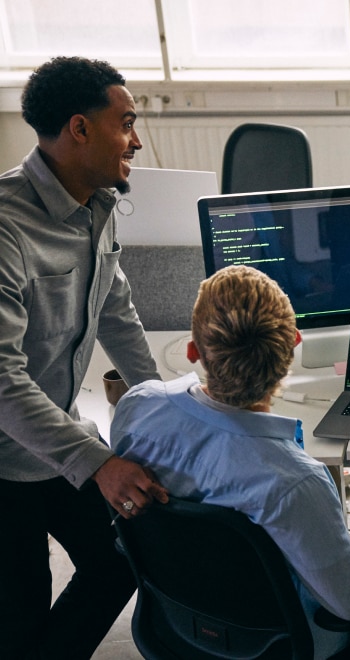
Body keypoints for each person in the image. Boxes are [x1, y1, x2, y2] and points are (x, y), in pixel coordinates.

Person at [111, 264, 350, 659]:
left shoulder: (137, 410)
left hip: (179, 620)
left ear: (193, 349)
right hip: (282, 644)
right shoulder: (296, 483)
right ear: (292, 347)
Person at [0, 56, 169, 659]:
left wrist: (166, 409)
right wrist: (100, 463)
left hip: (55, 440)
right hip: (3, 458)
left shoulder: (96, 203)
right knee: (21, 610)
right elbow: (2, 384)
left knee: (122, 558)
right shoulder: (5, 228)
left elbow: (115, 310)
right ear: (80, 129)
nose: (136, 138)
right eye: (125, 123)